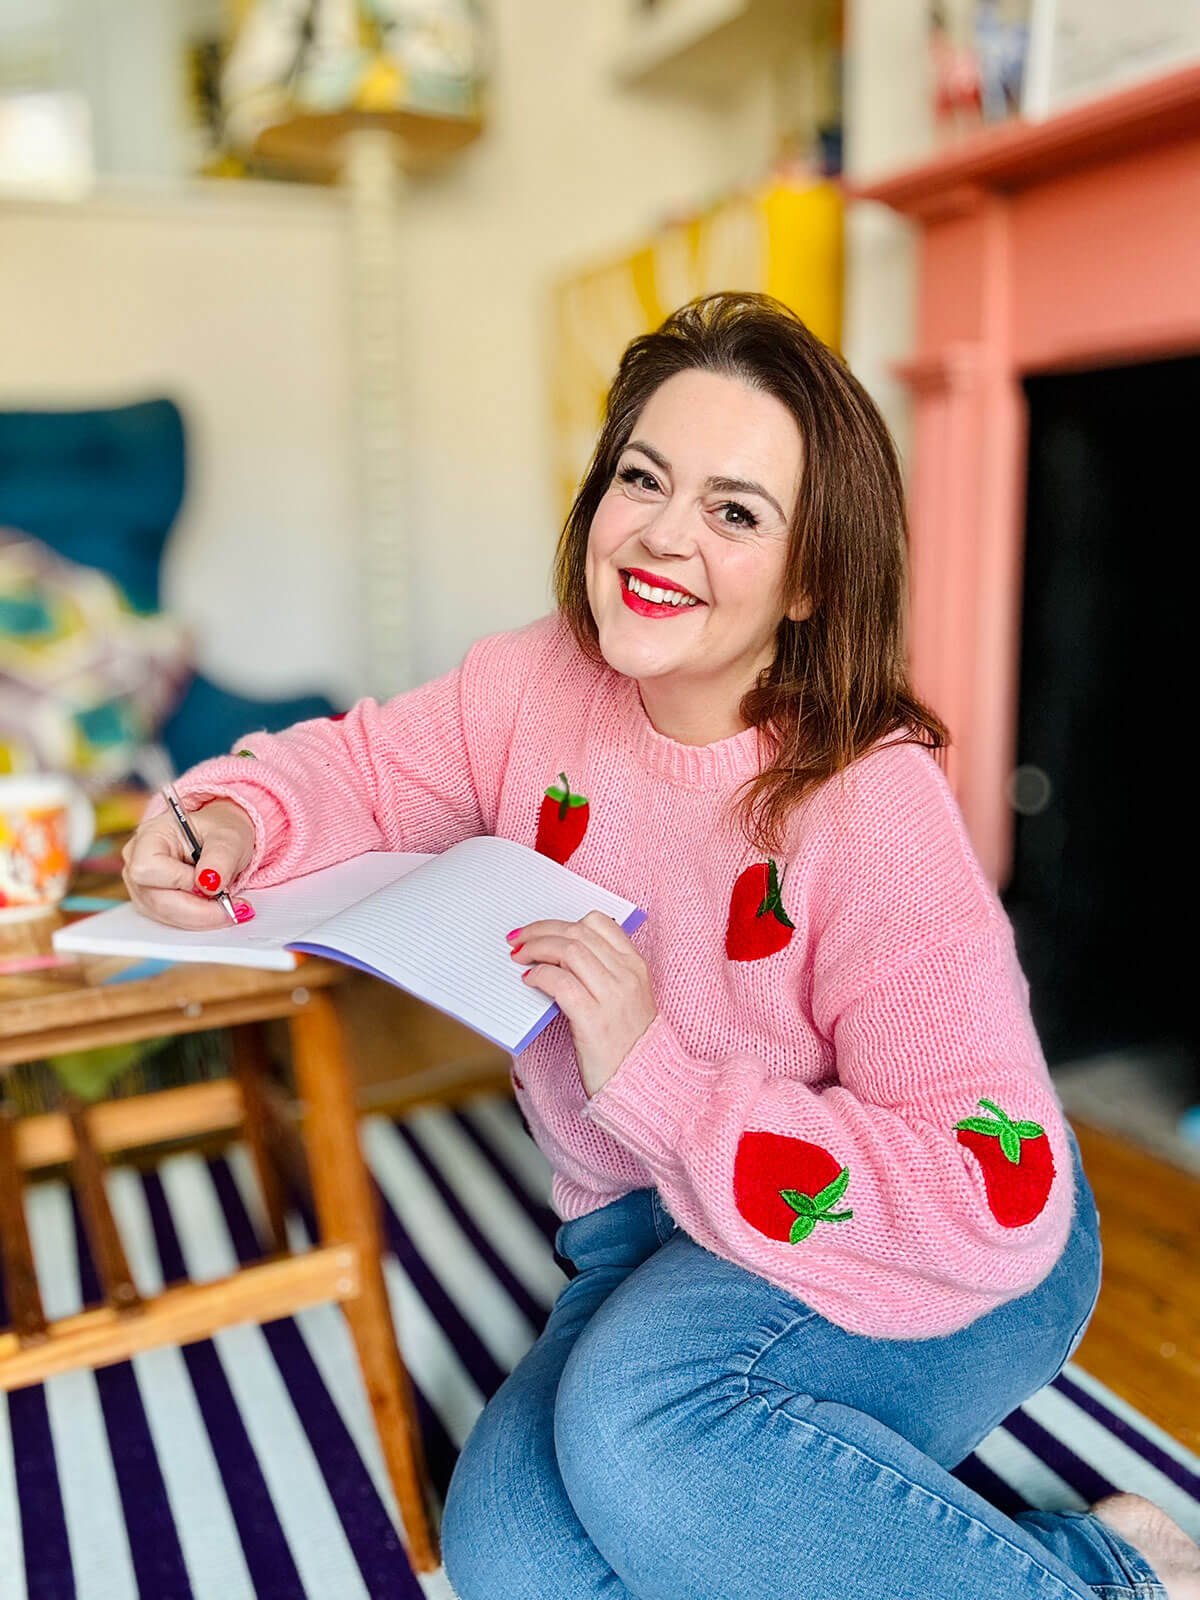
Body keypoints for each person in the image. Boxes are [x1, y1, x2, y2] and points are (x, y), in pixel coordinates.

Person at [122, 293, 1200, 1599]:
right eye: (644, 477)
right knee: (513, 1562)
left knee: (637, 1437)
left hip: (932, 1241)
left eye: (734, 511)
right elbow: (359, 768)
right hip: (642, 1231)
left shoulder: (870, 801)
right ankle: (1089, 1551)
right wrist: (232, 819)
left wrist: (658, 1072)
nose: (659, 536)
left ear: (811, 578)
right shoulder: (532, 686)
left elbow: (994, 1185)